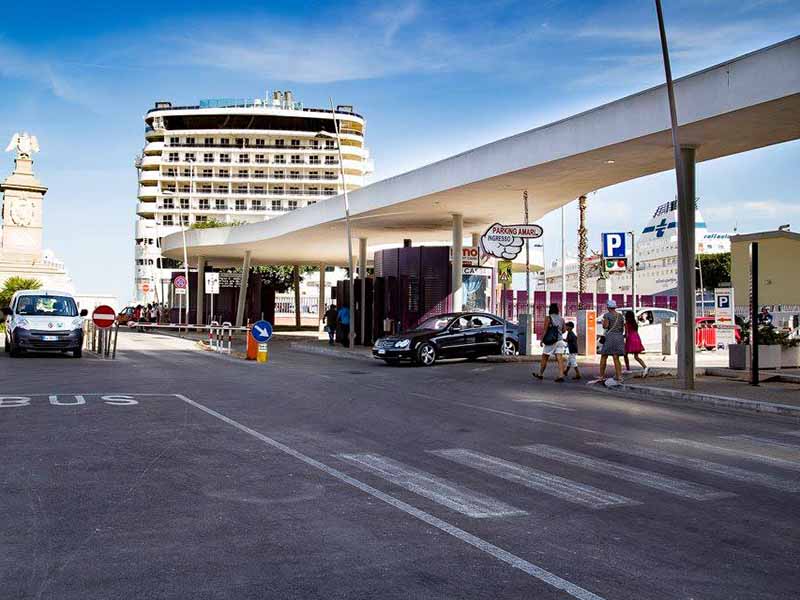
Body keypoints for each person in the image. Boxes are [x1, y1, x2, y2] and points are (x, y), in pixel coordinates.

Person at [533, 303, 566, 382]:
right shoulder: (561, 319)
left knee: (545, 357)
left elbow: (545, 330)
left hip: (551, 341)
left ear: (550, 309)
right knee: (559, 358)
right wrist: (558, 333)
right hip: (560, 340)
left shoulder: (548, 318)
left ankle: (540, 374)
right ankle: (561, 375)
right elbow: (564, 330)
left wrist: (541, 340)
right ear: (557, 310)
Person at [599, 300, 625, 385]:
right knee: (616, 357)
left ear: (608, 307)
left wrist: (603, 323)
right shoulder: (620, 315)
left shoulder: (607, 315)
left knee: (604, 356)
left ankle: (601, 376)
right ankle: (619, 376)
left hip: (610, 337)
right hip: (619, 337)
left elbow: (605, 326)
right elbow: (622, 328)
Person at [623, 310, 649, 376]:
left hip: (630, 339)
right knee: (636, 356)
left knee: (625, 354)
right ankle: (645, 367)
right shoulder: (635, 323)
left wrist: (623, 337)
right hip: (637, 338)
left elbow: (626, 334)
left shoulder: (626, 324)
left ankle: (628, 369)